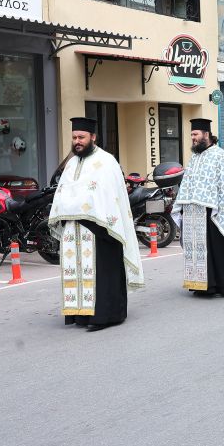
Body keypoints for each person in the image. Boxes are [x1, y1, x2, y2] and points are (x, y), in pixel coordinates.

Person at [48, 117, 144, 330]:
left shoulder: (107, 161)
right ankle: (81, 315)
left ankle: (106, 315)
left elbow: (110, 196)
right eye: (74, 138)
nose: (77, 141)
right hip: (74, 228)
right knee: (79, 271)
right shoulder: (71, 163)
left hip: (101, 229)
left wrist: (96, 217)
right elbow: (63, 192)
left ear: (93, 137)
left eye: (81, 137)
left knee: (102, 273)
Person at [173, 119, 224, 297]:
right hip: (194, 212)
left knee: (218, 247)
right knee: (200, 250)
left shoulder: (219, 155)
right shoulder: (194, 158)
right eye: (191, 134)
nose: (192, 138)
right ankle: (204, 286)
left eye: (195, 134)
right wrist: (183, 204)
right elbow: (187, 183)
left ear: (206, 135)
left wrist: (222, 208)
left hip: (215, 212)